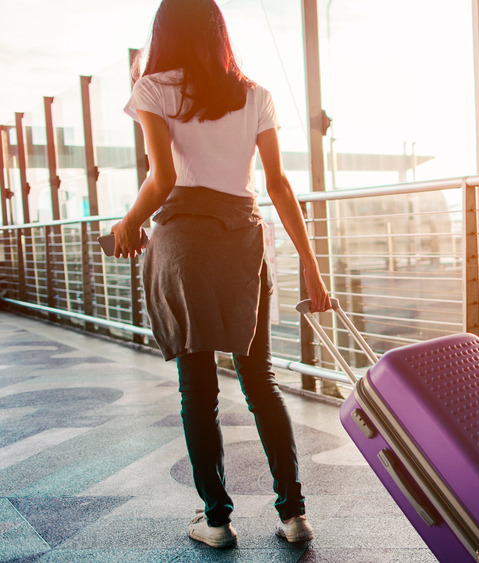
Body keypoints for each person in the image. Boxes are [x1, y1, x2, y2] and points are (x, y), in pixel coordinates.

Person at [110, 0, 332, 549]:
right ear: (218, 31)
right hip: (242, 244)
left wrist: (127, 224)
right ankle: (293, 514)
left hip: (185, 246)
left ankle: (216, 520)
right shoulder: (254, 94)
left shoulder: (152, 89)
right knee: (260, 384)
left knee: (198, 391)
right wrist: (311, 267)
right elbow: (278, 186)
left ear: (163, 32)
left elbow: (161, 179)